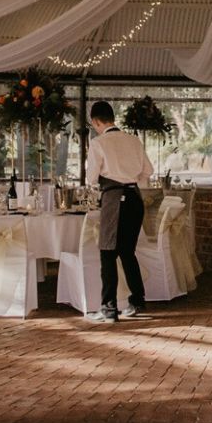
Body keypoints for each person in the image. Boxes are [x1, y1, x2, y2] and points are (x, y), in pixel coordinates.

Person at [83, 101, 152, 324]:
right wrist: (129, 179)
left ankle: (108, 309)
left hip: (115, 198)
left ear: (96, 122)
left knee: (107, 252)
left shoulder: (98, 142)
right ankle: (137, 301)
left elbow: (91, 178)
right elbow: (148, 171)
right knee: (127, 252)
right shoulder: (133, 140)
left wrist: (113, 180)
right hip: (135, 198)